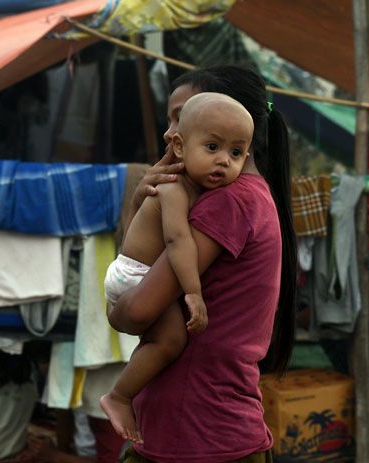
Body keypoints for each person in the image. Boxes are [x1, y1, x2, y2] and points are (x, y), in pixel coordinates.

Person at [107, 64, 298, 462]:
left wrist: (113, 306)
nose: (168, 134)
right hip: (193, 433)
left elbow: (137, 311)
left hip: (197, 436)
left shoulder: (229, 203)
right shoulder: (245, 197)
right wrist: (143, 207)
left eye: (181, 116)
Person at [100, 93, 255, 443]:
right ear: (182, 148)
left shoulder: (200, 189)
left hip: (134, 271)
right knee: (171, 340)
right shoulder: (173, 188)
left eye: (235, 153)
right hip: (134, 275)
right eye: (212, 146)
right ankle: (119, 396)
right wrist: (193, 293)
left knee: (161, 339)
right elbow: (177, 243)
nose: (223, 162)